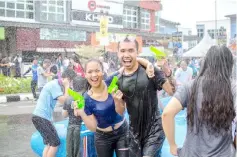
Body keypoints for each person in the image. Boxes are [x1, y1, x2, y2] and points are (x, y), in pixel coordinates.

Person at [162, 45, 236, 157]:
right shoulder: (233, 87)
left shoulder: (190, 86)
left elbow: (167, 114)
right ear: (229, 64)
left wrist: (172, 144)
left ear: (206, 63)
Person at [74, 58, 154, 157]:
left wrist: (148, 64)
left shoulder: (112, 81)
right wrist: (81, 112)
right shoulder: (86, 98)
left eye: (97, 70)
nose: (94, 75)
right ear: (85, 75)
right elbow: (93, 127)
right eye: (90, 72)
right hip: (102, 138)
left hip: (122, 132)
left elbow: (129, 63)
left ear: (103, 72)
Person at [116, 36, 174, 157]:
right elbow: (121, 111)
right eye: (122, 51)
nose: (126, 54)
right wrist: (117, 101)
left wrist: (166, 70)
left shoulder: (149, 70)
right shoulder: (118, 79)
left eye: (131, 50)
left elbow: (172, 92)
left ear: (137, 52)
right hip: (134, 133)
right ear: (118, 53)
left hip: (155, 128)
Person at [32, 69, 76, 157]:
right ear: (67, 79)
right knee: (55, 143)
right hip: (41, 118)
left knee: (49, 144)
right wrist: (67, 85)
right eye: (71, 81)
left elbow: (70, 95)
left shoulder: (57, 84)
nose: (71, 84)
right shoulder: (54, 85)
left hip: (40, 117)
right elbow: (64, 100)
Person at [62, 76, 87, 157]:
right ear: (84, 85)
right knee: (80, 152)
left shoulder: (69, 98)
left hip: (70, 128)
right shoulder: (86, 97)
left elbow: (64, 115)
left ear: (73, 85)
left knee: (70, 152)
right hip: (82, 129)